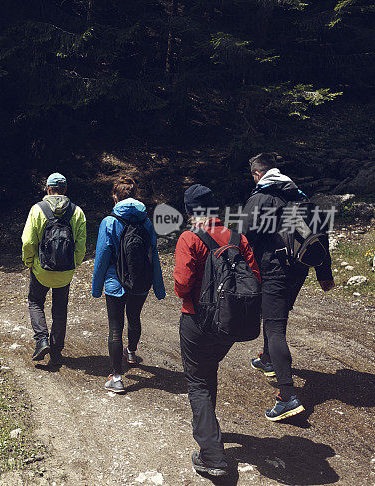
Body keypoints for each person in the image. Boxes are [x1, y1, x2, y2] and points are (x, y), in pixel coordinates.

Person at [174, 184, 260, 477]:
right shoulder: (238, 238)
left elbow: (182, 284)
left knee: (197, 381)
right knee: (208, 371)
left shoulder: (189, 237)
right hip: (229, 324)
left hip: (196, 320)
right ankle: (210, 430)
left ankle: (211, 456)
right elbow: (254, 280)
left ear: (189, 211)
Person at [242, 153, 334, 421]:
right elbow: (320, 236)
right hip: (298, 269)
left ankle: (287, 397)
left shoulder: (261, 198)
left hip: (273, 270)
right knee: (277, 316)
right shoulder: (300, 196)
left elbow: (245, 238)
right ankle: (268, 359)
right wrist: (323, 274)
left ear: (257, 174)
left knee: (274, 325)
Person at [91, 176, 165, 394]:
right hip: (140, 282)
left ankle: (116, 378)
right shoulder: (146, 221)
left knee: (115, 328)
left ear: (115, 196)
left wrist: (96, 288)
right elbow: (154, 255)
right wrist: (159, 288)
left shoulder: (109, 221)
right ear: (135, 195)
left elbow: (102, 258)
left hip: (116, 283)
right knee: (134, 318)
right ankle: (131, 352)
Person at [21, 172, 87, 365]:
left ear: (48, 189)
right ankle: (56, 350)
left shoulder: (37, 210)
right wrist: (73, 264)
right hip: (65, 272)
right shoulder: (77, 212)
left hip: (41, 270)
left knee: (35, 302)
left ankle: (42, 340)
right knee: (60, 309)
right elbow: (81, 245)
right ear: (65, 189)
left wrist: (29, 262)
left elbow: (28, 241)